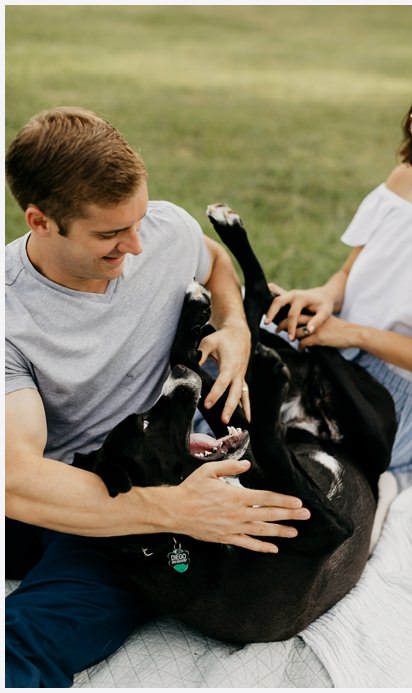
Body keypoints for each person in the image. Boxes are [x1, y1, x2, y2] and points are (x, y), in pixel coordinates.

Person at [4, 107, 309, 687]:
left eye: (139, 220)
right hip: (82, 488)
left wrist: (234, 325)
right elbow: (17, 480)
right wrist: (171, 509)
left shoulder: (160, 231)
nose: (139, 246)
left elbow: (214, 259)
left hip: (148, 466)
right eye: (110, 235)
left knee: (28, 640)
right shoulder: (9, 314)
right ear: (40, 221)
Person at [265, 51, 412, 472]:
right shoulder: (401, 180)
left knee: (293, 461)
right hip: (334, 348)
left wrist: (355, 334)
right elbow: (349, 271)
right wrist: (323, 298)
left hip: (398, 398)